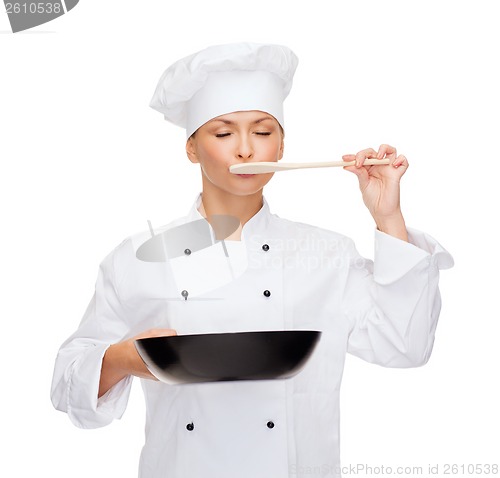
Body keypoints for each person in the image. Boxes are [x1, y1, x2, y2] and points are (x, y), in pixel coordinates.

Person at [50, 43, 453, 478]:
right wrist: (124, 360)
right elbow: (67, 385)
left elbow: (406, 346)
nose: (245, 150)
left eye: (262, 132)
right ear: (191, 148)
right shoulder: (139, 258)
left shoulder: (326, 255)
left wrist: (386, 215)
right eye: (223, 134)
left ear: (281, 146)